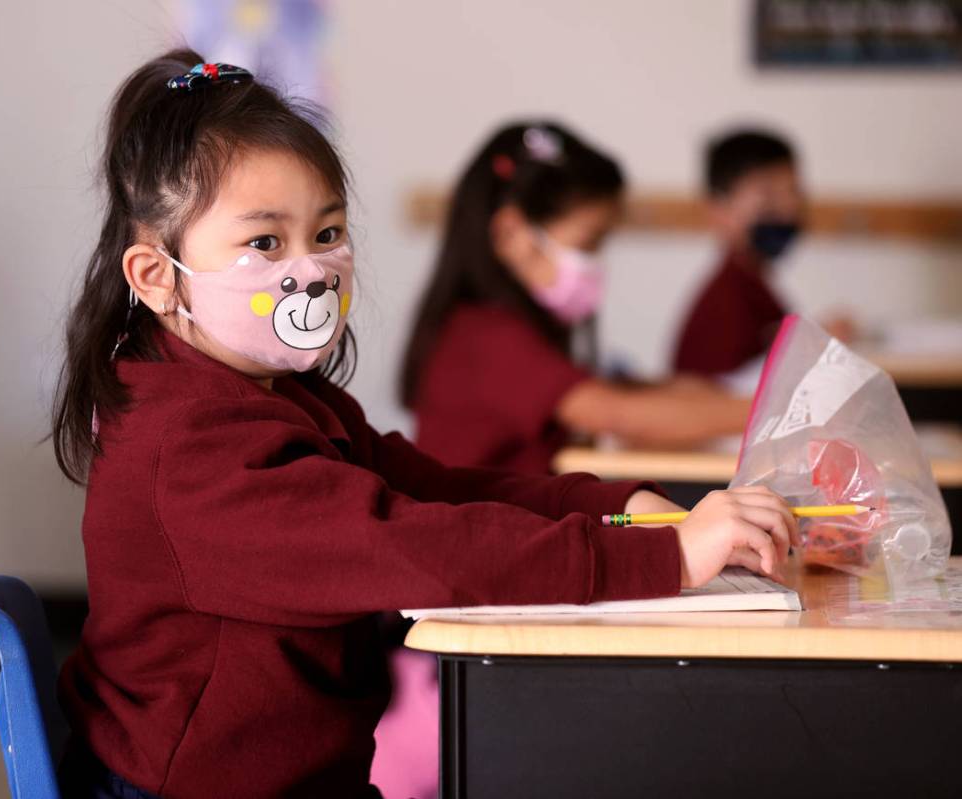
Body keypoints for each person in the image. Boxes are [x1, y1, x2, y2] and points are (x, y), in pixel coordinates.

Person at [51, 52, 795, 799]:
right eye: (266, 242)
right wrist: (664, 558)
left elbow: (438, 488)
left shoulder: (282, 395)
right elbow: (418, 544)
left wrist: (623, 507)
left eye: (328, 231)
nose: (311, 270)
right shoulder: (194, 448)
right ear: (156, 276)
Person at [400, 122, 752, 475]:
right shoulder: (487, 337)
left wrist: (694, 393)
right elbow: (618, 415)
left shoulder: (511, 327)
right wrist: (772, 411)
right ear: (511, 233)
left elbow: (610, 395)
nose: (597, 263)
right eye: (588, 242)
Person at [673, 128, 851, 377]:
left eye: (794, 193)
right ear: (718, 209)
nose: (788, 210)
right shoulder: (726, 300)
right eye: (769, 197)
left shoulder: (752, 286)